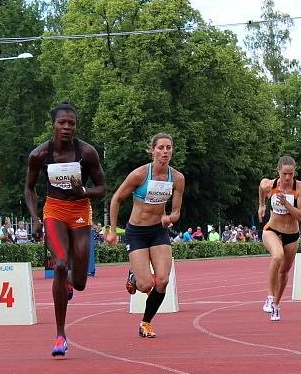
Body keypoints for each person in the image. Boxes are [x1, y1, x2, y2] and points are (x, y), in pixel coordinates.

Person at [25, 103, 105, 357]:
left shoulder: (87, 153)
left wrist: (84, 191)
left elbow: (102, 188)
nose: (67, 127)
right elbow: (29, 188)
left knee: (80, 282)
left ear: (76, 126)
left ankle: (69, 284)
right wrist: (34, 217)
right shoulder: (39, 155)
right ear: (53, 125)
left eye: (71, 123)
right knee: (60, 264)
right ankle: (60, 335)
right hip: (54, 211)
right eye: (62, 123)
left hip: (80, 211)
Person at [105, 133, 185, 338]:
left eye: (169, 148)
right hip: (137, 232)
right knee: (145, 285)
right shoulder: (139, 175)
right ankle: (134, 275)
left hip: (158, 231)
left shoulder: (177, 178)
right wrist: (112, 230)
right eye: (161, 148)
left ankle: (146, 323)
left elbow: (176, 212)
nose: (165, 152)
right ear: (153, 151)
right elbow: (116, 199)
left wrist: (170, 218)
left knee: (163, 281)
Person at [258, 155, 301, 321]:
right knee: (277, 255)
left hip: (292, 234)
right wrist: (262, 205)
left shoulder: (300, 188)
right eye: (284, 174)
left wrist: (287, 204)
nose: (287, 178)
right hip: (272, 229)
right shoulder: (269, 185)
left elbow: (300, 216)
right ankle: (270, 297)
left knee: (284, 271)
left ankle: (276, 305)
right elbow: (260, 187)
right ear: (278, 171)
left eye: (291, 174)